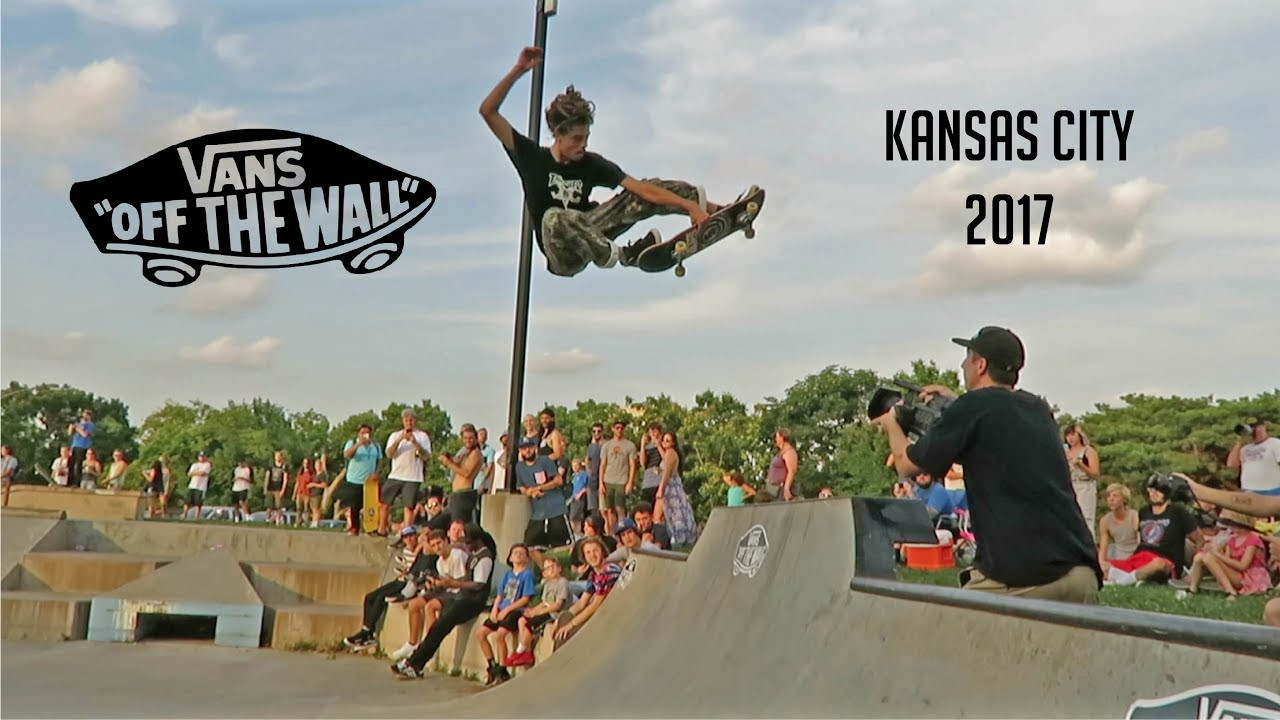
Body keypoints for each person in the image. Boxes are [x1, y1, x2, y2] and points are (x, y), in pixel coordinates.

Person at [872, 326, 1101, 603]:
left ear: (980, 365)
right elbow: (994, 424)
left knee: (940, 630)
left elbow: (906, 466)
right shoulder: (1037, 409)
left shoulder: (972, 408)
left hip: (1024, 575)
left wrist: (892, 422)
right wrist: (954, 403)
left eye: (968, 357)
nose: (962, 364)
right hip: (1080, 572)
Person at [480, 46, 739, 278]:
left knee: (644, 190)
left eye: (587, 138)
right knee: (554, 218)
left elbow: (643, 190)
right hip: (562, 254)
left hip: (591, 231)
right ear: (558, 135)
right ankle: (626, 255)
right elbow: (488, 111)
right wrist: (518, 70)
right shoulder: (531, 158)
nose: (583, 145)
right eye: (576, 139)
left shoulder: (592, 164)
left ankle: (715, 210)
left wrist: (689, 205)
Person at [391, 524, 496, 680]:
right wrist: (445, 582)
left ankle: (414, 664)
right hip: (463, 597)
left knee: (440, 626)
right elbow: (467, 578)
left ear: (477, 541)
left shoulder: (485, 557)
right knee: (437, 627)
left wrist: (454, 584)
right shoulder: (475, 554)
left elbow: (479, 584)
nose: (465, 545)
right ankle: (414, 662)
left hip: (473, 601)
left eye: (468, 542)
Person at [1101, 473, 1202, 586]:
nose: (1154, 493)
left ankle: (1122, 582)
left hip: (1165, 562)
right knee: (1102, 565)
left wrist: (1193, 570)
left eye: (1158, 490)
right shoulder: (1144, 511)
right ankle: (1132, 578)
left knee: (1158, 564)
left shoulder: (1177, 511)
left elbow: (1199, 540)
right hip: (1140, 557)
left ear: (1166, 492)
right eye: (1151, 490)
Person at [473, 544, 536, 686]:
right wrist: (495, 609)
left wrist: (507, 611)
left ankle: (503, 669)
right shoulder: (507, 574)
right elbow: (500, 595)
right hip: (501, 609)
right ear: (510, 557)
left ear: (527, 558)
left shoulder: (527, 575)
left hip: (515, 611)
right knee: (480, 634)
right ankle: (492, 665)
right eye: (515, 553)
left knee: (499, 635)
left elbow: (525, 598)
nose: (518, 555)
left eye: (522, 553)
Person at [513, 436, 571, 567]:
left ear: (534, 448)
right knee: (530, 545)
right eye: (524, 448)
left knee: (565, 544)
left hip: (555, 507)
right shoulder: (519, 467)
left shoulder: (545, 461)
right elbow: (520, 486)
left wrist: (539, 487)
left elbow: (558, 481)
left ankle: (574, 570)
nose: (527, 451)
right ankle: (547, 571)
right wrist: (529, 492)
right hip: (538, 512)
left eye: (529, 447)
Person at [1185, 510, 1271, 598]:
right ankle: (1193, 589)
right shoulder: (1232, 540)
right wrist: (1218, 553)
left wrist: (1218, 556)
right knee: (1200, 557)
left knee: (1209, 557)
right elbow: (1227, 561)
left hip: (1250, 577)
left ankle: (1230, 591)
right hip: (1236, 573)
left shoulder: (1252, 540)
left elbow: (1243, 566)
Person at [505, 555, 570, 669]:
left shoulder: (562, 582)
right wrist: (533, 610)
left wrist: (538, 613)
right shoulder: (547, 584)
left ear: (559, 568)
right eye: (548, 568)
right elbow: (544, 602)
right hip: (546, 610)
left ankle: (519, 651)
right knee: (522, 620)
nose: (551, 570)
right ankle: (527, 652)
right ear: (544, 573)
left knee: (530, 625)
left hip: (553, 614)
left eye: (553, 566)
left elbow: (557, 605)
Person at [382, 409, 431, 538]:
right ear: (402, 421)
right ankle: (382, 529)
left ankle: (407, 533)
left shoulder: (422, 436)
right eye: (406, 420)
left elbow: (426, 456)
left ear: (415, 421)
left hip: (413, 476)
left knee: (409, 506)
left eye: (411, 420)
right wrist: (399, 440)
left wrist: (415, 442)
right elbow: (389, 454)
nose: (409, 422)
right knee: (384, 502)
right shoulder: (394, 435)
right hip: (395, 474)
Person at [337, 424, 384, 536]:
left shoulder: (375, 446)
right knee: (354, 506)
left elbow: (380, 461)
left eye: (367, 432)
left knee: (370, 506)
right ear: (358, 433)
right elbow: (347, 454)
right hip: (354, 479)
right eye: (362, 432)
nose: (365, 435)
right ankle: (354, 528)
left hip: (369, 482)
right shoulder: (352, 443)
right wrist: (359, 444)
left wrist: (377, 473)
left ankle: (370, 528)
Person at [655, 432, 697, 546]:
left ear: (673, 443)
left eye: (668, 441)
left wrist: (661, 489)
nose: (665, 442)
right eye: (663, 440)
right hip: (670, 485)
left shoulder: (671, 453)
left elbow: (667, 472)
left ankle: (680, 538)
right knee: (671, 512)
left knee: (676, 513)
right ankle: (677, 538)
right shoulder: (668, 453)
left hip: (671, 486)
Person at [598, 419, 638, 535]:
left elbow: (632, 465)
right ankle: (612, 534)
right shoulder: (606, 445)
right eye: (617, 428)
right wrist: (601, 483)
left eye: (621, 428)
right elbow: (603, 464)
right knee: (609, 510)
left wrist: (630, 482)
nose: (619, 430)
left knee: (620, 508)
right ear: (612, 429)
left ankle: (622, 532)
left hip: (622, 480)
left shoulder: (629, 445)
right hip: (607, 480)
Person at [1063, 424, 1101, 541]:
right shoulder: (1065, 451)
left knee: (1086, 518)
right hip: (1070, 485)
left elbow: (1095, 474)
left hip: (1085, 485)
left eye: (1073, 434)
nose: (1070, 438)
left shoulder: (1088, 451)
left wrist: (1081, 465)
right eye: (1068, 435)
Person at [1227, 418, 1280, 496]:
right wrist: (1240, 442)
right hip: (1248, 492)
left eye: (1257, 427)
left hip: (1271, 491)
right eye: (1251, 427)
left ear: (1263, 427)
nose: (1255, 430)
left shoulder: (1275, 443)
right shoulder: (1245, 449)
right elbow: (1231, 464)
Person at [1096, 483, 1139, 562]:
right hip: (1119, 559)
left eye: (1115, 496)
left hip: (1136, 556)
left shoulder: (1134, 516)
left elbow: (1141, 542)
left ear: (1124, 499)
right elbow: (1103, 548)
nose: (1111, 499)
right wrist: (1103, 565)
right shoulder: (1105, 520)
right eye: (1108, 496)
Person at [760, 428, 798, 502]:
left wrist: (786, 488)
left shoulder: (789, 451)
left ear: (782, 437)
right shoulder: (780, 452)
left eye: (777, 437)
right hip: (773, 489)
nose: (775, 439)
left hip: (780, 490)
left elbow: (791, 471)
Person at [67, 409, 94, 490]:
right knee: (71, 464)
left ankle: (77, 483)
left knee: (78, 465)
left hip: (82, 446)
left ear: (89, 416)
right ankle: (70, 482)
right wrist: (71, 427)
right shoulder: (79, 424)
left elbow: (85, 434)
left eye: (86, 415)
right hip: (75, 445)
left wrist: (77, 428)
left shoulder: (90, 425)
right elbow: (69, 434)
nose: (84, 416)